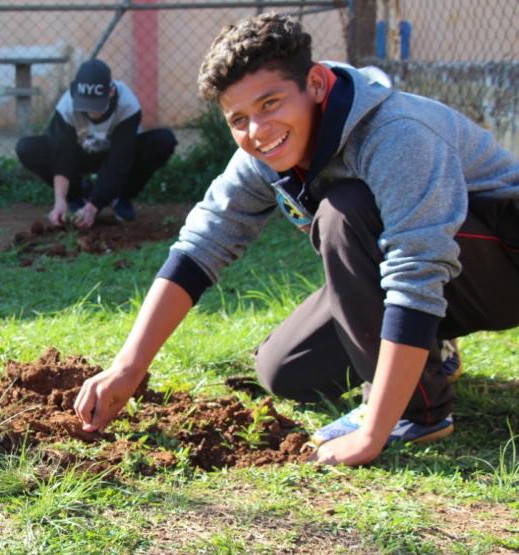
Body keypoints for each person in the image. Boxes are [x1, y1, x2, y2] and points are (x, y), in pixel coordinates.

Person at [73, 12, 519, 466]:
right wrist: (128, 368)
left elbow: (417, 267)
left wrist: (371, 433)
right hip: (441, 281)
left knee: (344, 211)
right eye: (239, 118)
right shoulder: (264, 152)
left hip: (502, 265)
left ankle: (417, 412)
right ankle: (430, 348)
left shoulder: (395, 133)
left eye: (270, 103)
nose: (257, 131)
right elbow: (201, 245)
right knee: (286, 370)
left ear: (317, 84)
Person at [16, 59, 177, 229]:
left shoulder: (127, 104)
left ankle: (119, 197)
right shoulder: (67, 105)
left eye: (96, 103)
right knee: (28, 148)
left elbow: (120, 160)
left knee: (162, 141)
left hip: (116, 153)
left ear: (111, 92)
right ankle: (77, 195)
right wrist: (60, 200)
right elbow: (61, 157)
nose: (91, 110)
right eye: (86, 103)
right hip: (81, 153)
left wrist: (94, 206)